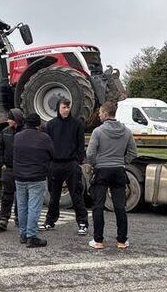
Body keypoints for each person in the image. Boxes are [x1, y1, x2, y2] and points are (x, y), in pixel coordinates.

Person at [86, 102, 137, 249]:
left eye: (101, 113)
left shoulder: (98, 131)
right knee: (120, 206)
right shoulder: (126, 131)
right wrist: (122, 161)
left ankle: (98, 241)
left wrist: (96, 164)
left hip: (102, 170)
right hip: (118, 170)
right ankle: (122, 240)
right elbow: (133, 153)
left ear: (106, 114)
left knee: (98, 206)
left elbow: (90, 153)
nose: (99, 115)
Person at [42, 98, 89, 235]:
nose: (66, 110)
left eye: (68, 107)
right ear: (58, 108)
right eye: (64, 107)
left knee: (76, 194)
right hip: (55, 164)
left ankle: (82, 222)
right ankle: (50, 221)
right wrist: (48, 163)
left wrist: (80, 162)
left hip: (71, 163)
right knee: (54, 195)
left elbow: (81, 144)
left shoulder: (77, 124)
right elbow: (47, 145)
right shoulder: (51, 125)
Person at [14, 113, 54, 248]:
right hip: (37, 177)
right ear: (38, 125)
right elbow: (52, 154)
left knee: (22, 206)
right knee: (34, 207)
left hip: (19, 177)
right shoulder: (44, 138)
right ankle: (32, 236)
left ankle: (23, 234)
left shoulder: (17, 137)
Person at [0, 108, 24, 231]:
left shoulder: (24, 132)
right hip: (8, 168)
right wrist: (2, 164)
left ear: (16, 120)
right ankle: (3, 219)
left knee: (21, 196)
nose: (7, 121)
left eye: (10, 119)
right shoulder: (5, 132)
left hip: (22, 168)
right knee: (7, 194)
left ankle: (20, 218)